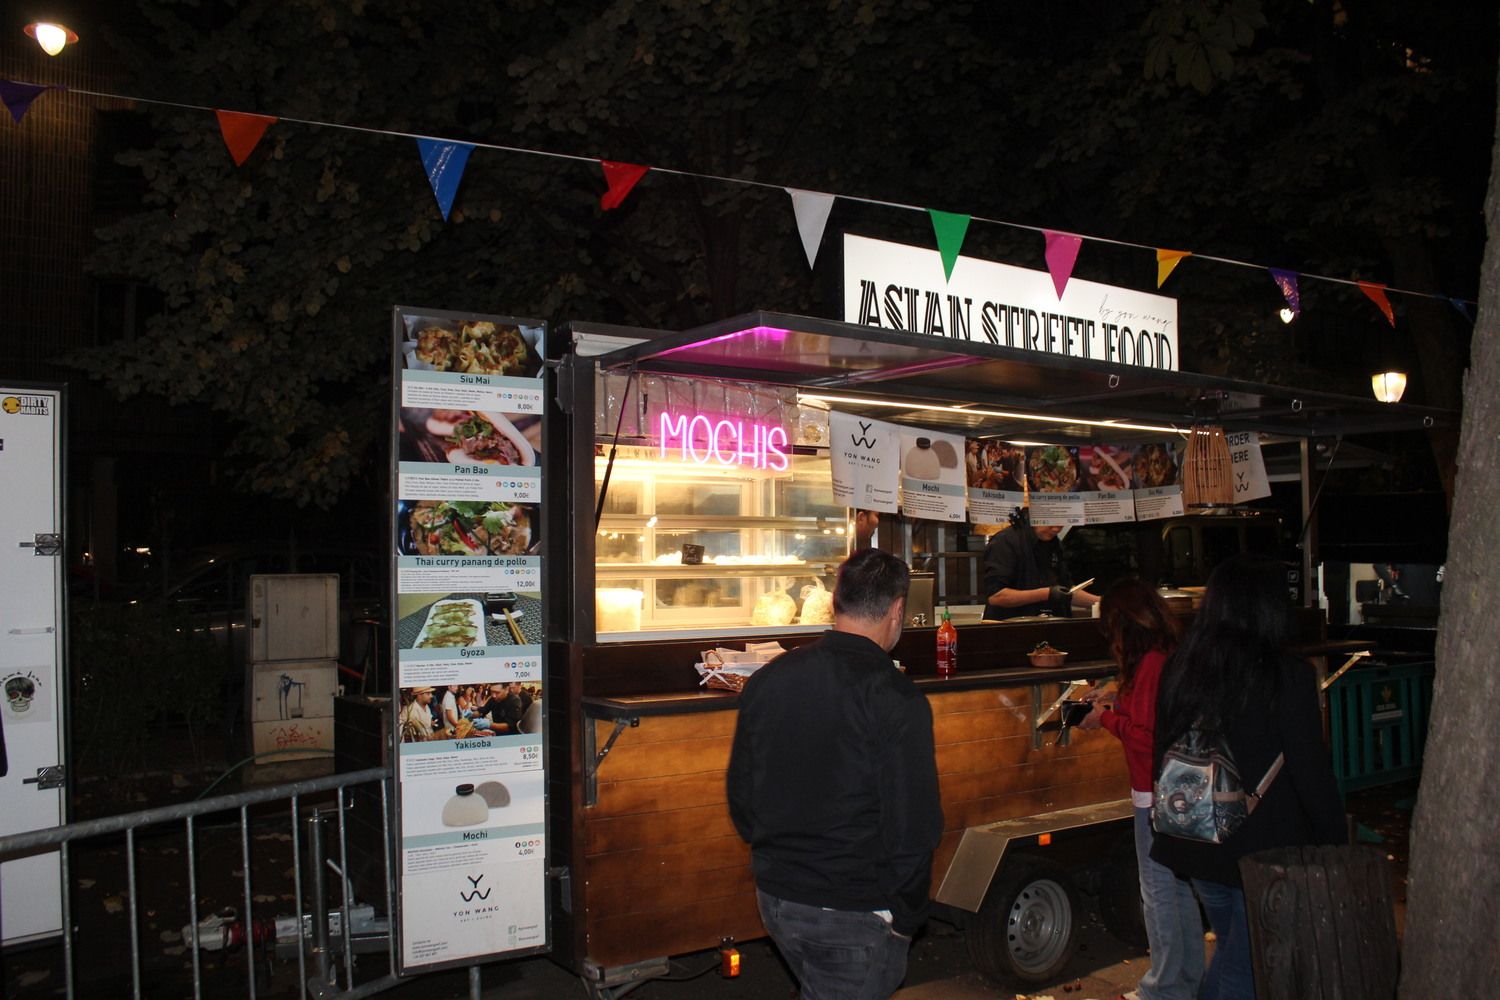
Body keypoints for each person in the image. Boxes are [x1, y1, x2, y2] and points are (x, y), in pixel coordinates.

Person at [728, 548, 943, 1000]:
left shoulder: (769, 679)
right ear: (897, 609)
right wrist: (905, 919)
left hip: (776, 898)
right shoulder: (896, 698)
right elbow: (914, 827)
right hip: (853, 910)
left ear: (835, 603)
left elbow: (741, 798)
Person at [1151, 555, 1347, 1000]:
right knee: (1247, 969)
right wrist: (1334, 842)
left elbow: (1163, 755)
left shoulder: (1180, 668)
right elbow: (1311, 770)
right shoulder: (1288, 675)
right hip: (1261, 848)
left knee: (1233, 955)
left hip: (1194, 842)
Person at [1078, 578, 1202, 1000]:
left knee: (1159, 895)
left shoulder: (1149, 664)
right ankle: (1185, 981)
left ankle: (1165, 987)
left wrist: (1104, 719)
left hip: (1153, 793)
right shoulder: (1167, 654)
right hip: (1173, 792)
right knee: (1178, 890)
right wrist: (1115, 692)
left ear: (1123, 624)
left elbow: (1145, 735)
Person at [981, 507, 1098, 620]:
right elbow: (997, 596)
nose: (1056, 529)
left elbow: (1067, 591)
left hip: (1048, 627)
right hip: (1010, 630)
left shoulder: (1055, 544)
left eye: (1062, 522)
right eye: (1051, 522)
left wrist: (1102, 602)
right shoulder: (1005, 541)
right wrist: (1047, 593)